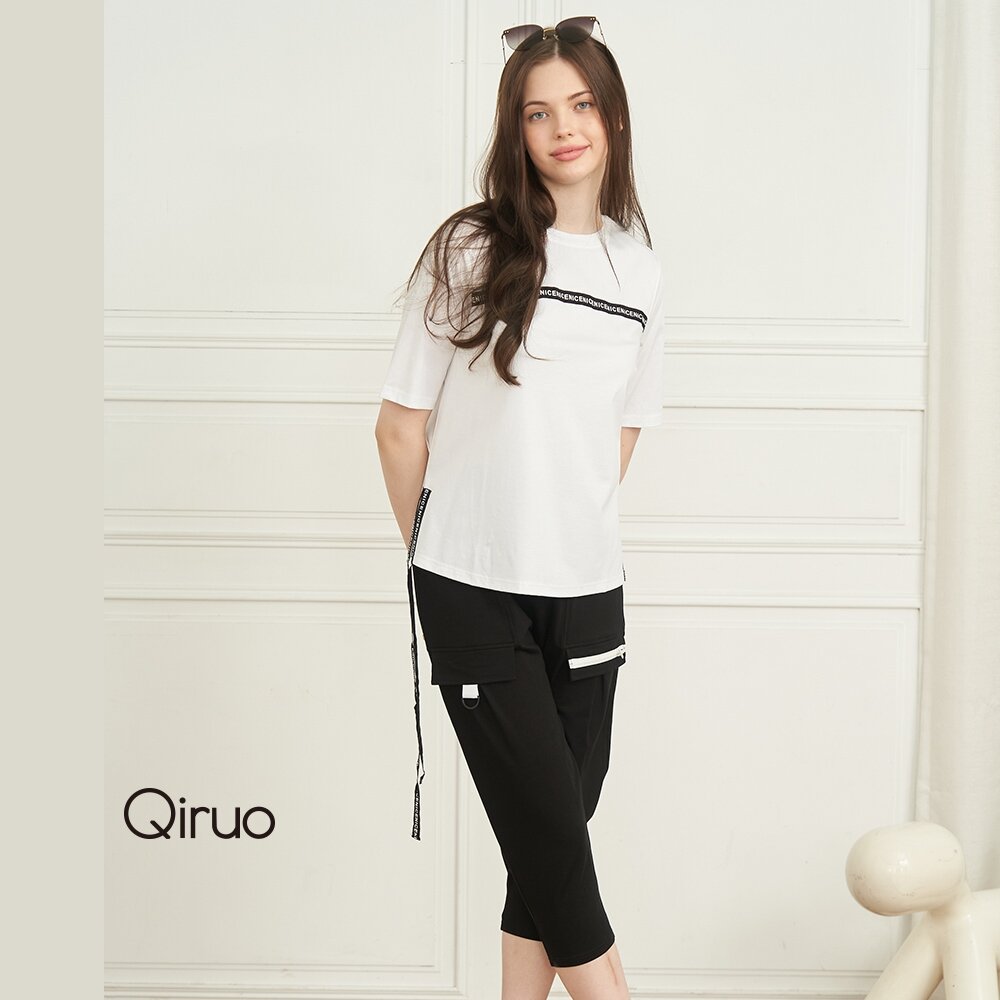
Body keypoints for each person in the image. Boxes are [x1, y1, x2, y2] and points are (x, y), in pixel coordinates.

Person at [374, 16, 665, 1000]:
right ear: (517, 130)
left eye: (580, 106)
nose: (563, 128)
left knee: (550, 848)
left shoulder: (638, 270)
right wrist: (443, 556)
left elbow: (621, 431)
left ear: (612, 117)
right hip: (471, 586)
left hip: (587, 593)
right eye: (539, 113)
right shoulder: (470, 247)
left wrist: (561, 520)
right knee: (555, 852)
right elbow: (398, 428)